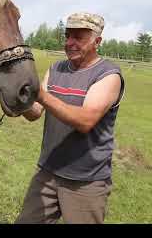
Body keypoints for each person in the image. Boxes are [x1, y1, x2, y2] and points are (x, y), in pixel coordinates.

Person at [16, 12, 125, 224]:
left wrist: (40, 94)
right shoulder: (56, 68)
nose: (70, 43)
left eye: (78, 37)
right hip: (47, 172)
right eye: (67, 36)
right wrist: (16, 98)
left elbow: (85, 121)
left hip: (86, 181)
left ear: (97, 41)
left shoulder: (108, 75)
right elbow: (35, 112)